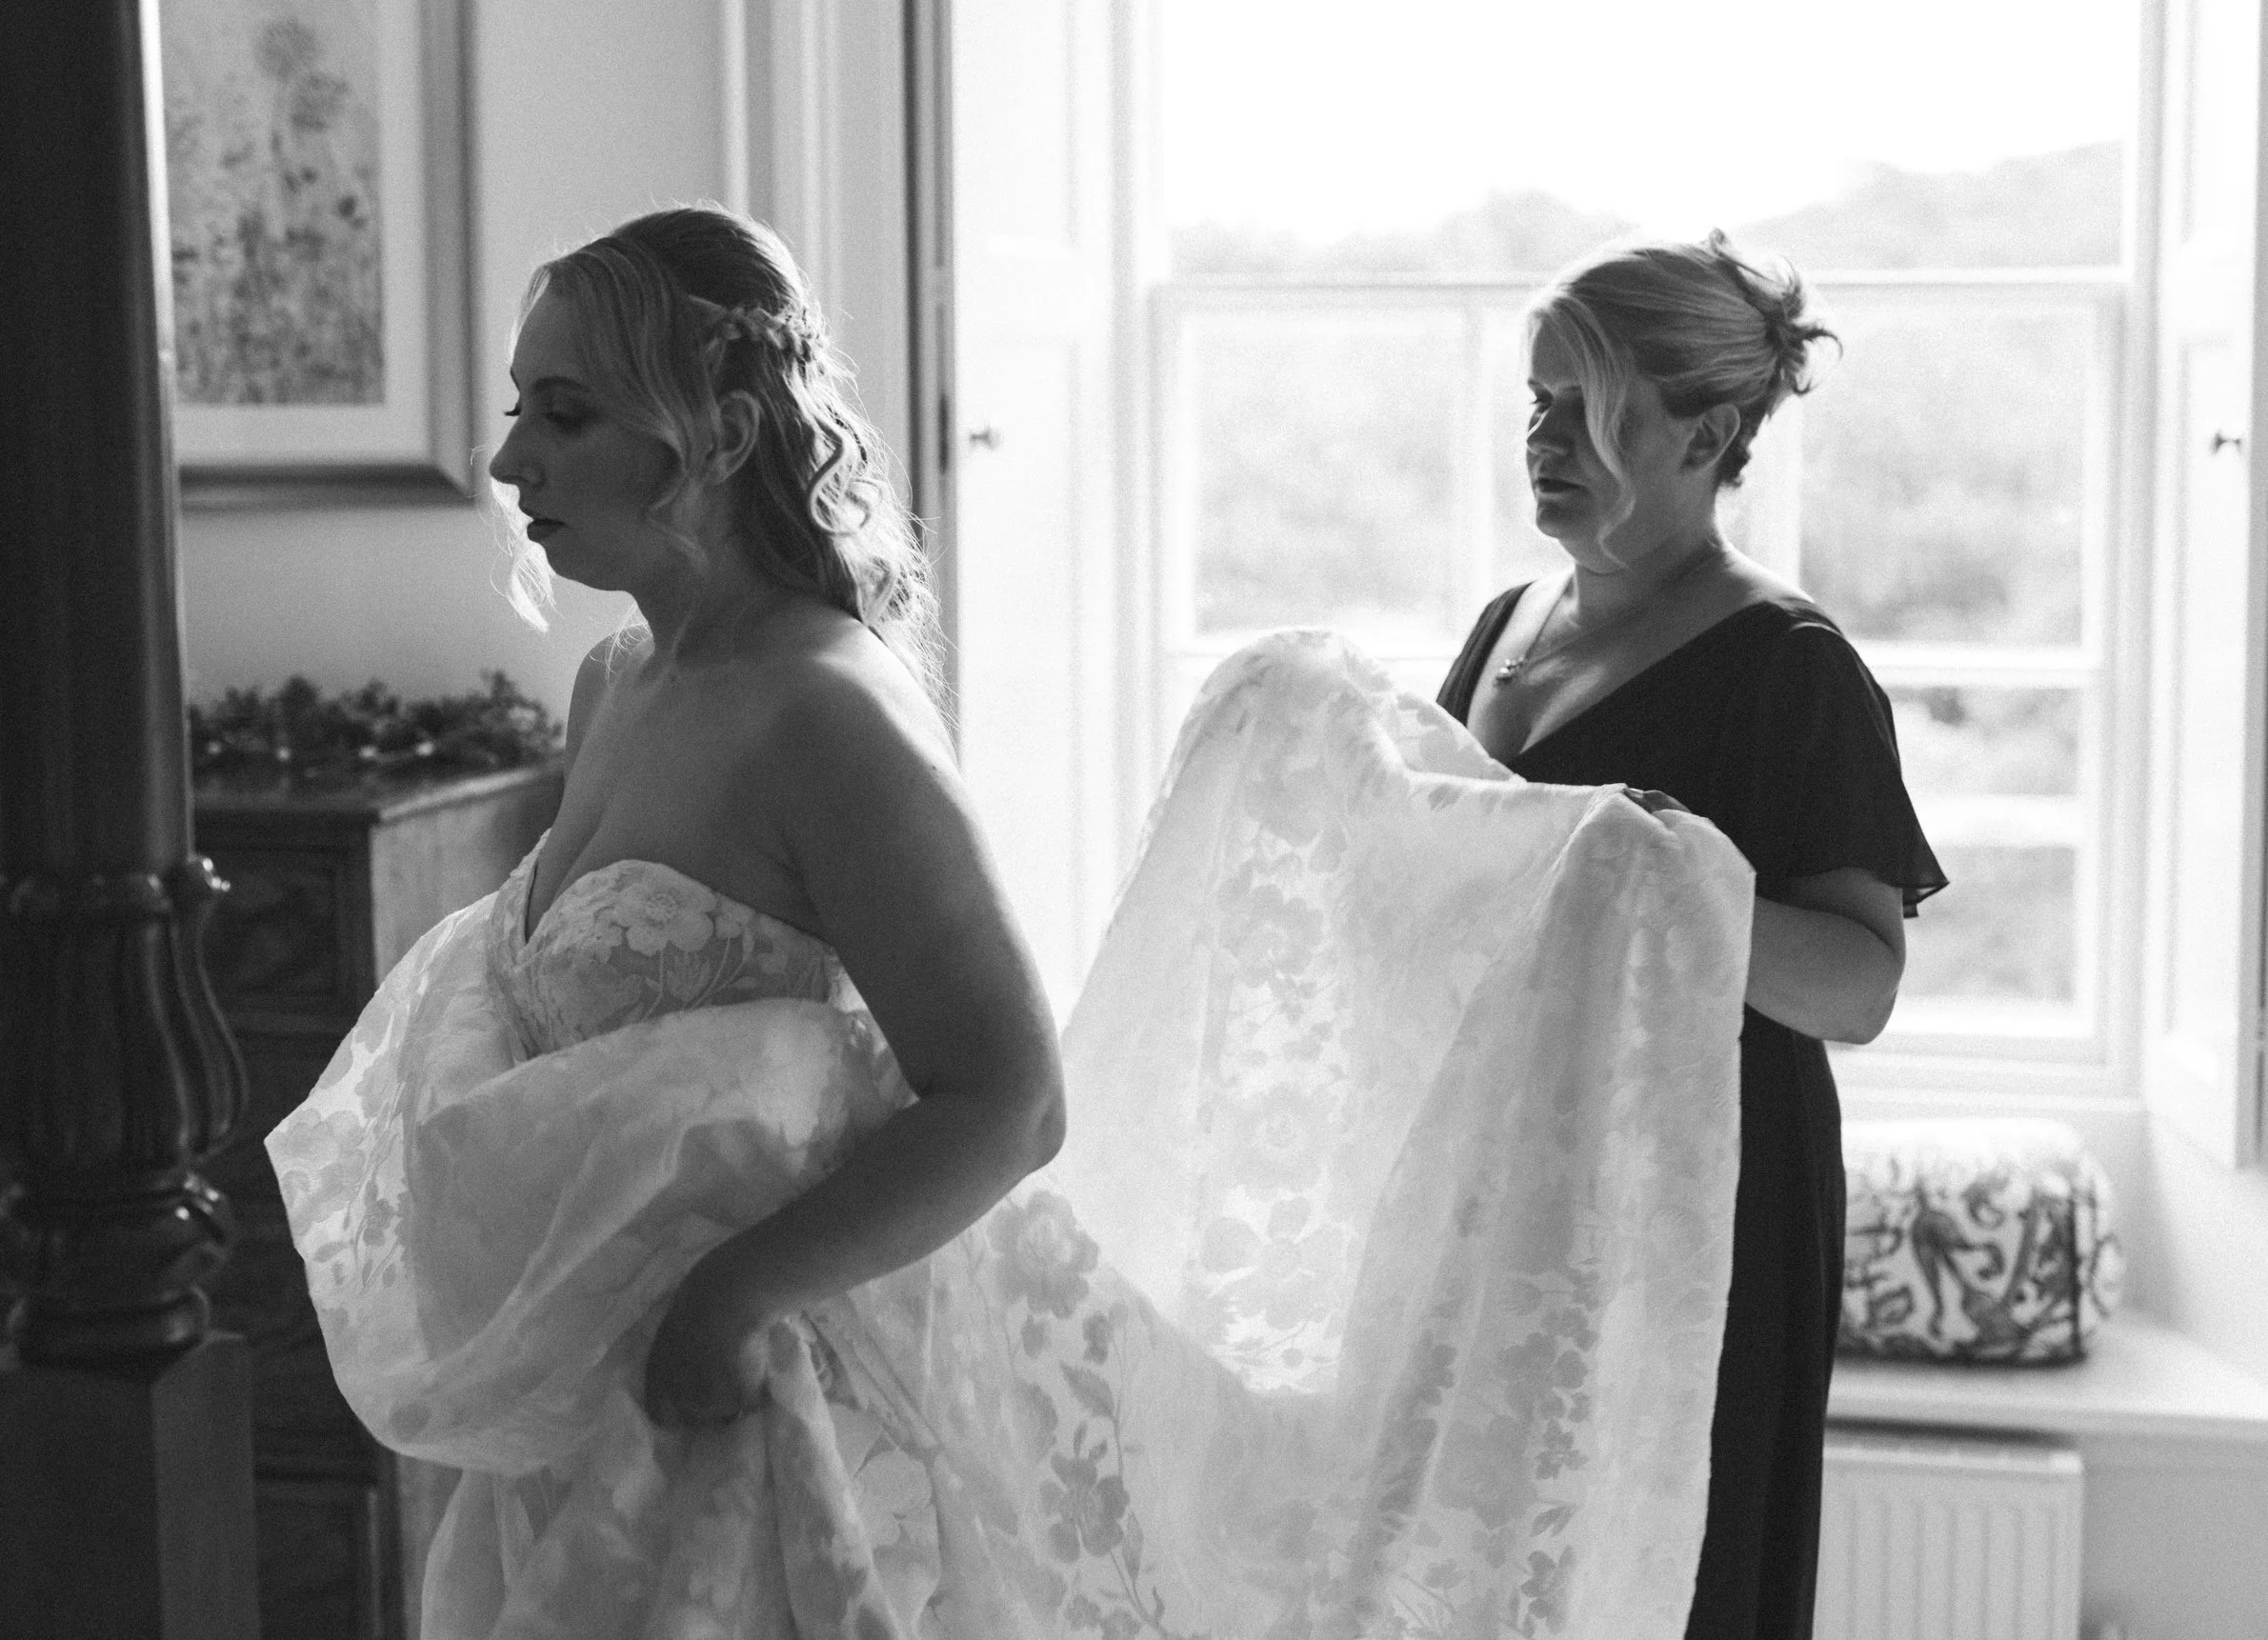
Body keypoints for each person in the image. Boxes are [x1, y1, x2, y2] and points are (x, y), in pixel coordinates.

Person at [272, 204, 1766, 1639]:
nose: (510, 452)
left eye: (567, 410)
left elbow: (1011, 1098)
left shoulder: (827, 712)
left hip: (781, 1407)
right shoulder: (616, 681)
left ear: (716, 433)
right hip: (600, 1407)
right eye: (522, 404)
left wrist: (739, 1290)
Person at [1437, 232, 1947, 1640]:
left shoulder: (1793, 666)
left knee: (1669, 1586)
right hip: (1511, 1178)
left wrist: (1681, 880)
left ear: (1708, 431)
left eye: (1582, 407)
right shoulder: (1504, 626)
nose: (1539, 437)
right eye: (1532, 402)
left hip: (1699, 1204)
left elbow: (1858, 986)